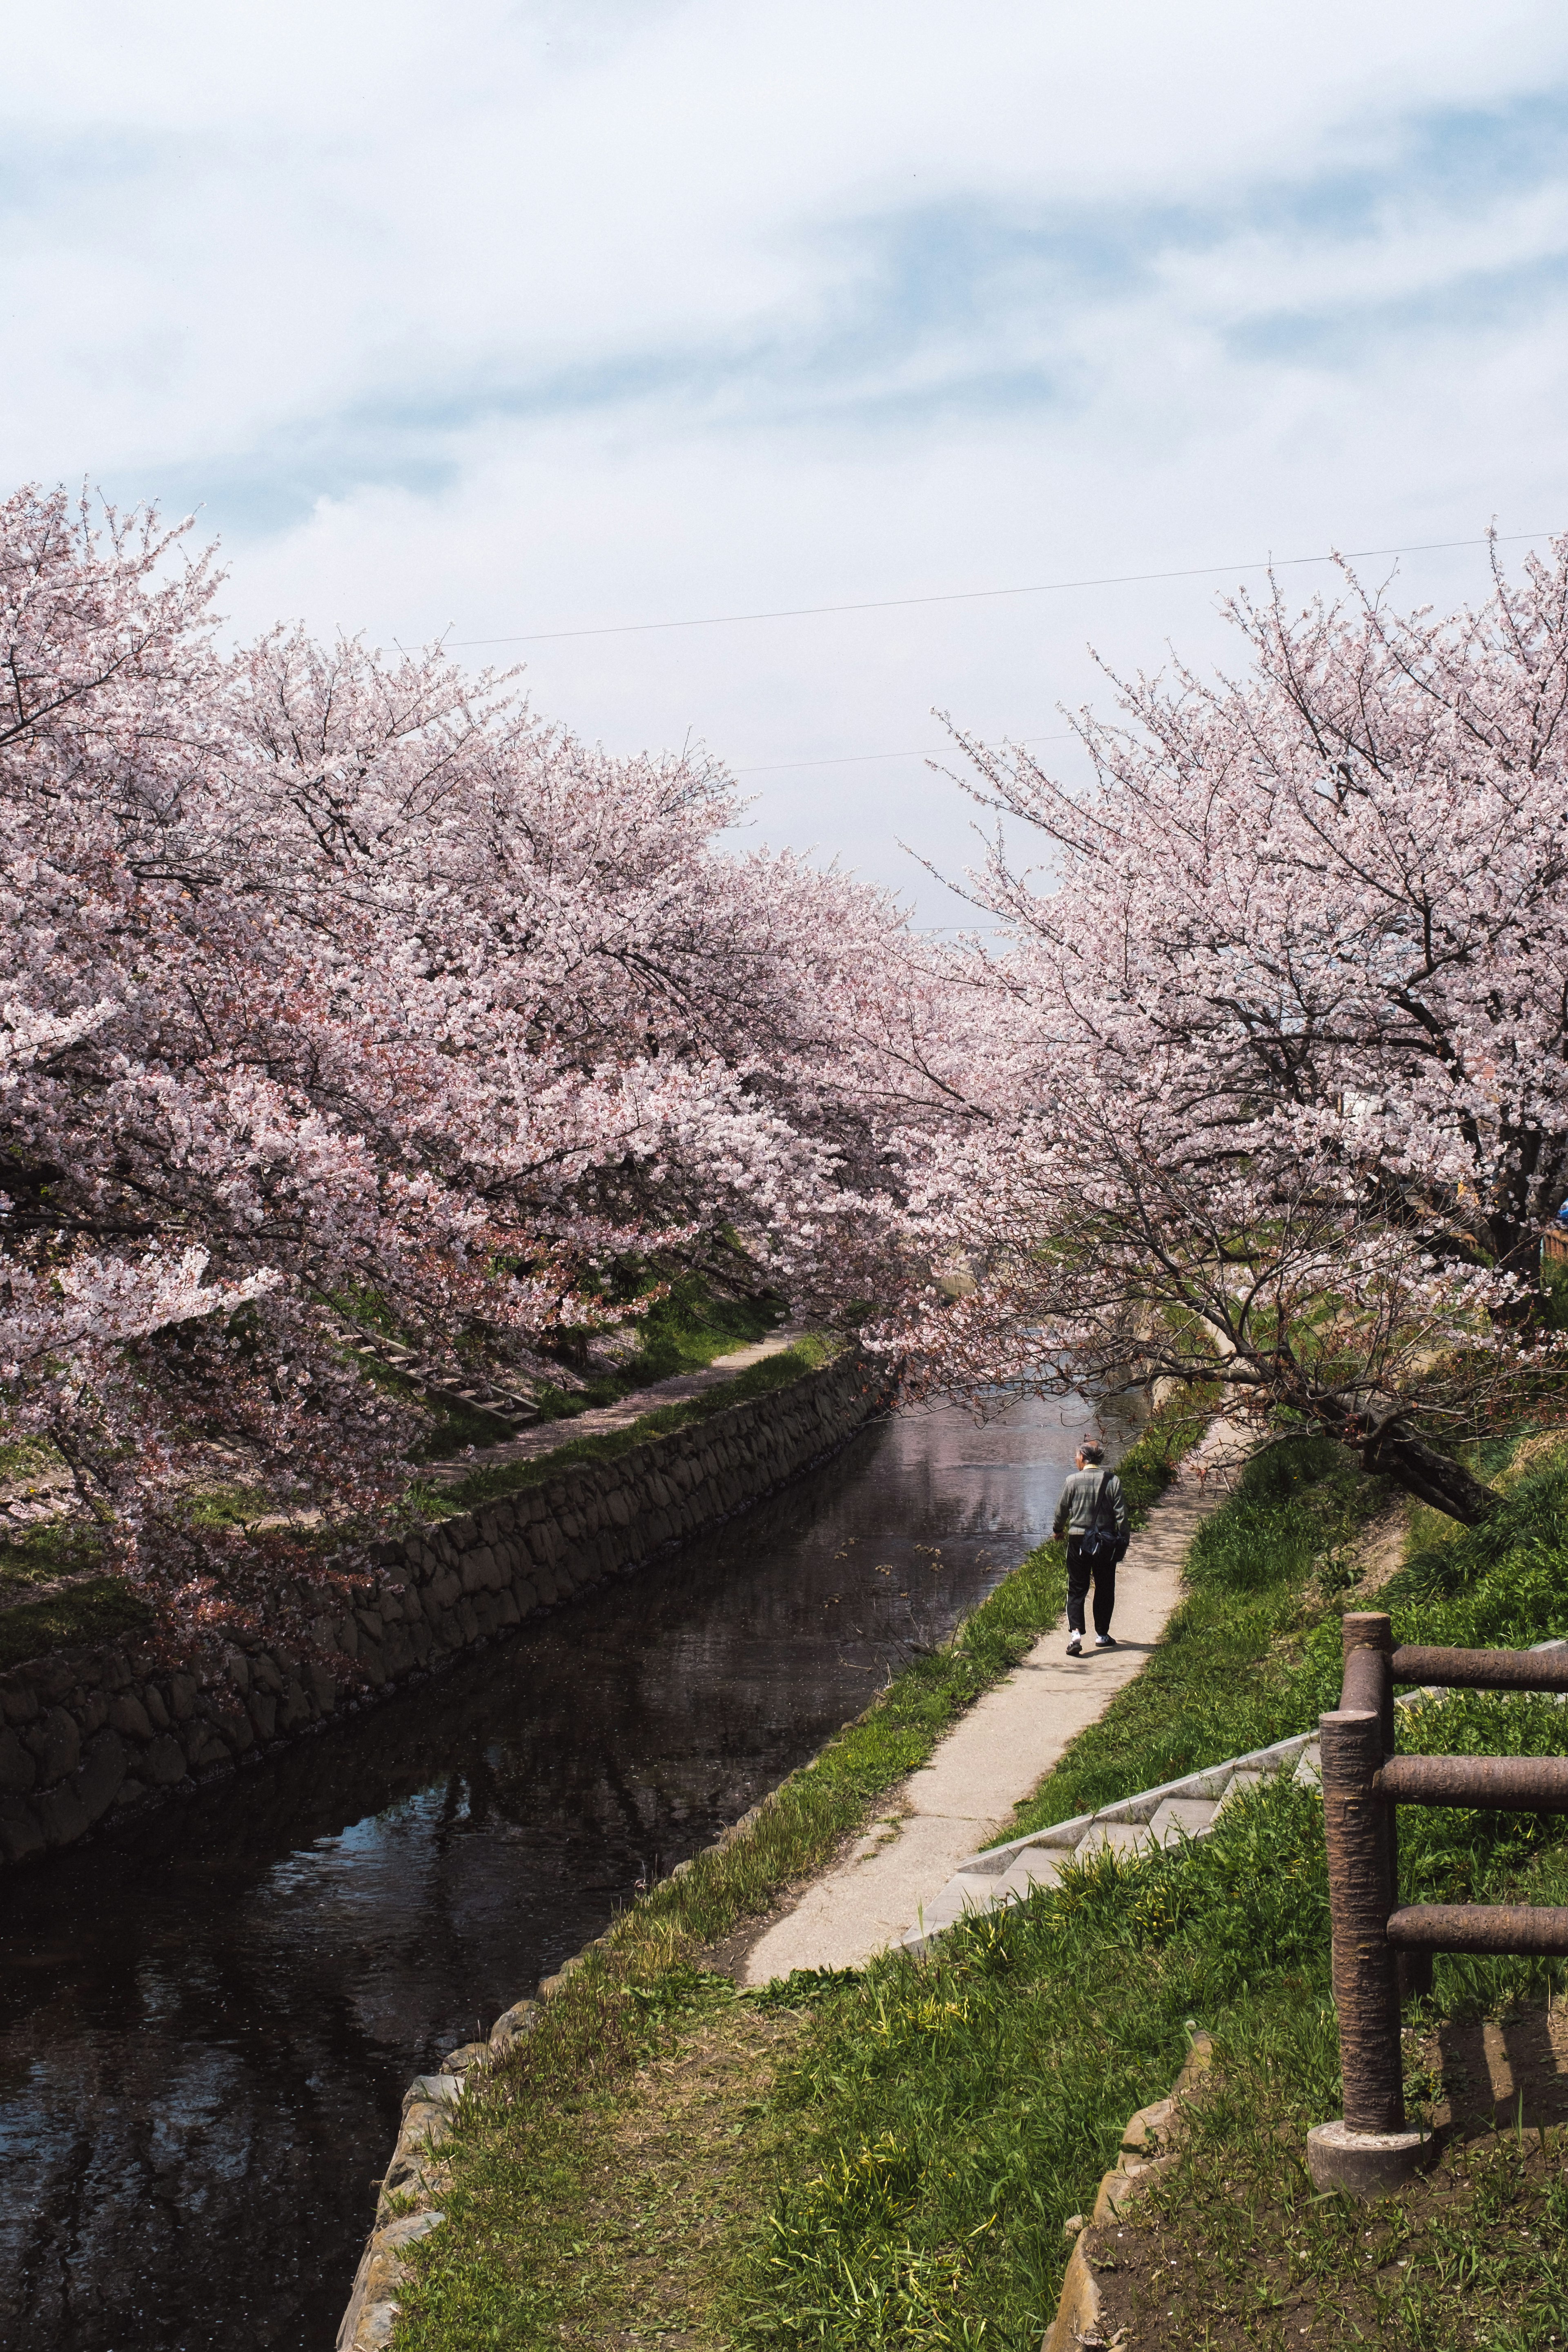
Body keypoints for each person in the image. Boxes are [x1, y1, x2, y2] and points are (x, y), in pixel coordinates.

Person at [1053, 1439, 1129, 1657]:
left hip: (1078, 1541)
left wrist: (1058, 1530)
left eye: (1077, 1456)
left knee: (1077, 1588)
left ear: (1083, 1459)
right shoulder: (1113, 1481)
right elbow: (1122, 1516)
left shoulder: (1072, 1481)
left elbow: (1062, 1511)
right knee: (1105, 1588)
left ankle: (1076, 1634)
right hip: (1105, 1542)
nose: (1075, 1460)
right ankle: (1102, 1635)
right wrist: (1123, 1540)